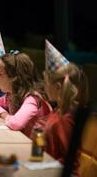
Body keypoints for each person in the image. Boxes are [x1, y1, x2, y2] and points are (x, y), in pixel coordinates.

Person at [43, 40, 88, 170]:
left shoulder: (64, 119)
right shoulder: (58, 111)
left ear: (57, 87)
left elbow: (69, 161)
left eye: (46, 83)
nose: (44, 87)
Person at [0, 50, 51, 137]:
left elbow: (16, 123)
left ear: (13, 78)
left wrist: (7, 117)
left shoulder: (32, 98)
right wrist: (6, 115)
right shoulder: (11, 94)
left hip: (37, 147)